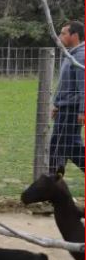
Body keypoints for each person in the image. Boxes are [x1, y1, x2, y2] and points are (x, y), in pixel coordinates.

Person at [50, 20, 85, 174]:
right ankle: (54, 182)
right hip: (64, 109)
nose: (60, 36)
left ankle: (52, 184)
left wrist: (83, 111)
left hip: (72, 110)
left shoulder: (81, 56)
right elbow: (65, 84)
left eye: (63, 33)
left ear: (75, 35)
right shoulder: (71, 55)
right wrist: (57, 104)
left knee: (64, 147)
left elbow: (83, 87)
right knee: (62, 148)